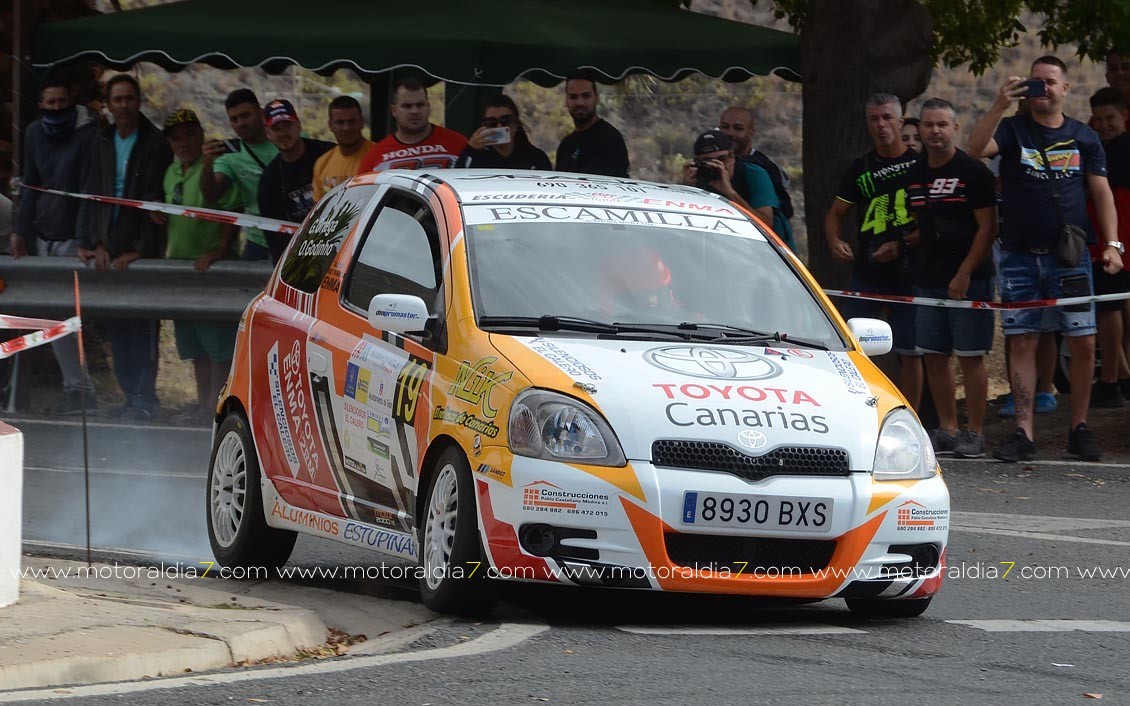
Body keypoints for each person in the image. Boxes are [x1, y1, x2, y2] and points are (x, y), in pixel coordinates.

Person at [967, 56, 1122, 462]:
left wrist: (1113, 244)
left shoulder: (1083, 137)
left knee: (1084, 341)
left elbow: (1102, 192)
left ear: (1066, 89)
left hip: (1070, 258)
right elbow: (974, 150)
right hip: (1019, 256)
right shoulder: (1013, 129)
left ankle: (1080, 427)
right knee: (1022, 341)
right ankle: (1024, 432)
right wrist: (1000, 103)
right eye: (1036, 82)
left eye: (1050, 82)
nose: (1043, 89)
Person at [75, 73, 172, 421]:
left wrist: (141, 250)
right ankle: (129, 396)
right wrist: (90, 242)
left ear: (139, 101)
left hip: (138, 249)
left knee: (142, 326)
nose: (124, 106)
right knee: (117, 328)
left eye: (130, 98)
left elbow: (157, 204)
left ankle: (146, 399)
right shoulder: (100, 140)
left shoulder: (154, 142)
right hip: (108, 244)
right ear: (109, 104)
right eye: (117, 99)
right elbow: (90, 193)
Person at [906, 98, 998, 458]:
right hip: (928, 276)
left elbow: (987, 228)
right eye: (928, 125)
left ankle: (975, 432)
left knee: (970, 356)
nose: (934, 132)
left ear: (955, 128)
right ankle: (947, 429)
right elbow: (921, 225)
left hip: (969, 279)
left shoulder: (972, 171)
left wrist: (964, 273)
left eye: (942, 125)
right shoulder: (914, 172)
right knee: (933, 354)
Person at [824, 93, 923, 409]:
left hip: (911, 273)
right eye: (873, 119)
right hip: (867, 274)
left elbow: (936, 225)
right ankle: (858, 410)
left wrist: (904, 244)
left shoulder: (920, 166)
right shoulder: (861, 168)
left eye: (887, 118)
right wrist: (834, 241)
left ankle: (913, 417)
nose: (881, 125)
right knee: (850, 347)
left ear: (901, 122)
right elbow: (835, 213)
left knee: (911, 352)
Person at [11, 76, 99, 414]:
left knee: (65, 316)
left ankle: (81, 390)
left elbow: (87, 189)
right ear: (41, 105)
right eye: (51, 103)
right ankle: (69, 389)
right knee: (45, 316)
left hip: (70, 240)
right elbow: (31, 183)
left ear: (71, 101)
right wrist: (21, 230)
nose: (57, 109)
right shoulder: (34, 133)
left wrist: (82, 238)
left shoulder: (88, 135)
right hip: (42, 235)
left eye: (63, 102)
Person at [159, 109, 241, 423]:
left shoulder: (216, 165)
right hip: (181, 267)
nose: (184, 143)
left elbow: (232, 210)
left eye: (190, 135)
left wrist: (220, 250)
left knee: (217, 342)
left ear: (201, 135)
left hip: (210, 267)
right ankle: (200, 401)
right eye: (176, 138)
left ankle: (214, 405)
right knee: (194, 343)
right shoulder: (171, 171)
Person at [1088, 87, 1130, 406]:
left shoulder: (1122, 149)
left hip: (1117, 243)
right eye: (1098, 119)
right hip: (1105, 243)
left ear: (1124, 116)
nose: (1104, 124)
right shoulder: (1093, 145)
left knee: (1112, 309)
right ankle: (1119, 378)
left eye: (1110, 118)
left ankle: (1112, 380)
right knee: (1113, 308)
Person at [681, 128, 794, 248]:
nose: (717, 166)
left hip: (769, 250)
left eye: (721, 159)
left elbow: (766, 225)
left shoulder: (754, 174)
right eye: (707, 161)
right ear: (697, 163)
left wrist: (730, 193)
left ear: (732, 157)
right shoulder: (699, 178)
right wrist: (686, 190)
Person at [201, 89, 278, 261]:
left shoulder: (286, 138)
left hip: (295, 236)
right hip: (257, 241)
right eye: (234, 119)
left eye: (245, 116)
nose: (241, 123)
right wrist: (207, 164)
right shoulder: (230, 155)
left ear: (260, 113)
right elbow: (211, 195)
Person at [256, 99, 333, 263]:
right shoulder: (269, 179)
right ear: (268, 133)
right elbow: (274, 235)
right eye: (276, 128)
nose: (283, 133)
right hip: (301, 251)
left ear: (298, 125)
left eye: (287, 125)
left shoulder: (328, 154)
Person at [717, 106, 795, 250]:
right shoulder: (713, 165)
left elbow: (769, 221)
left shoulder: (759, 169)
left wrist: (731, 194)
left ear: (751, 132)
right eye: (725, 127)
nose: (730, 133)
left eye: (738, 128)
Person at [358, 77, 467, 172]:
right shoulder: (375, 157)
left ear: (428, 107)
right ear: (394, 110)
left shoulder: (458, 144)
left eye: (420, 105)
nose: (414, 111)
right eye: (407, 106)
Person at [555, 71, 629, 177]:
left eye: (586, 96)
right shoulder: (566, 145)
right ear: (566, 101)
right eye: (573, 97)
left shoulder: (610, 139)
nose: (580, 102)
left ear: (596, 98)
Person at [456, 95, 552, 170]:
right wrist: (470, 150)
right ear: (484, 126)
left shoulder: (536, 158)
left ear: (516, 124)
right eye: (491, 122)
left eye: (505, 121)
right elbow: (457, 180)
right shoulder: (475, 158)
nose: (499, 127)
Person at [312, 96, 372, 200]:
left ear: (362, 122)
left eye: (352, 121)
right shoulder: (322, 164)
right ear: (330, 125)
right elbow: (318, 209)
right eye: (340, 122)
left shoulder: (379, 156)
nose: (346, 128)